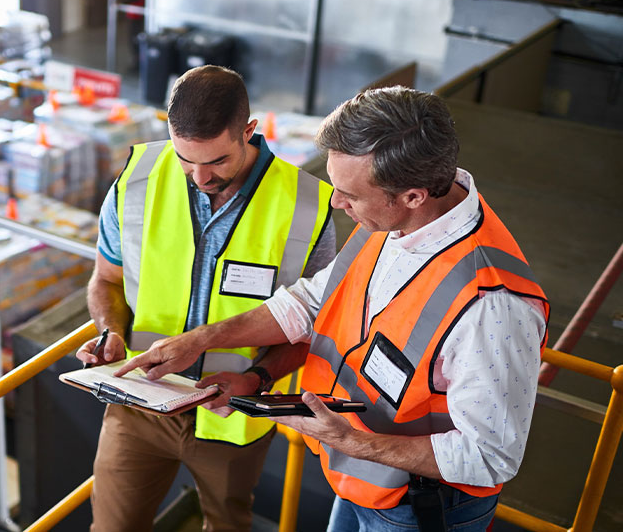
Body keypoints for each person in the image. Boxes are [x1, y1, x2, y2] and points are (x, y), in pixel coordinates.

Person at [117, 86, 549, 531]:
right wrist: (204, 340)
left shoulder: (492, 307)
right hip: (363, 482)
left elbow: (490, 456)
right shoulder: (393, 217)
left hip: (419, 508)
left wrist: (353, 442)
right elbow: (312, 300)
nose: (336, 203)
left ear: (414, 196)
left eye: (349, 194)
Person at [76, 64, 336, 531]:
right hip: (138, 403)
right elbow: (106, 280)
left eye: (216, 161)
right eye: (184, 158)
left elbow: (313, 326)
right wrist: (109, 332)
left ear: (249, 132)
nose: (199, 176)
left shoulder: (308, 207)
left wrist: (257, 377)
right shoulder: (136, 182)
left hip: (232, 417)